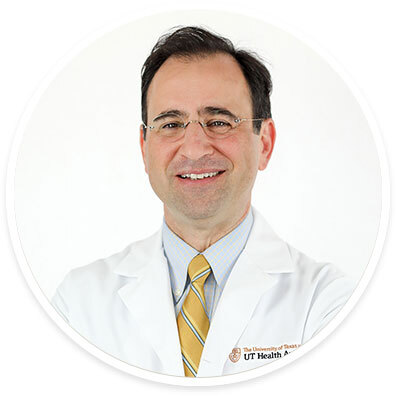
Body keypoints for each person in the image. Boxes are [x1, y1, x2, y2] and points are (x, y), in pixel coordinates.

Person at [52, 26, 354, 378]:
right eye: (170, 124)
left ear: (265, 142)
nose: (195, 148)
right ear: (143, 146)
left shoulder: (329, 304)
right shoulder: (77, 304)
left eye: (219, 122)